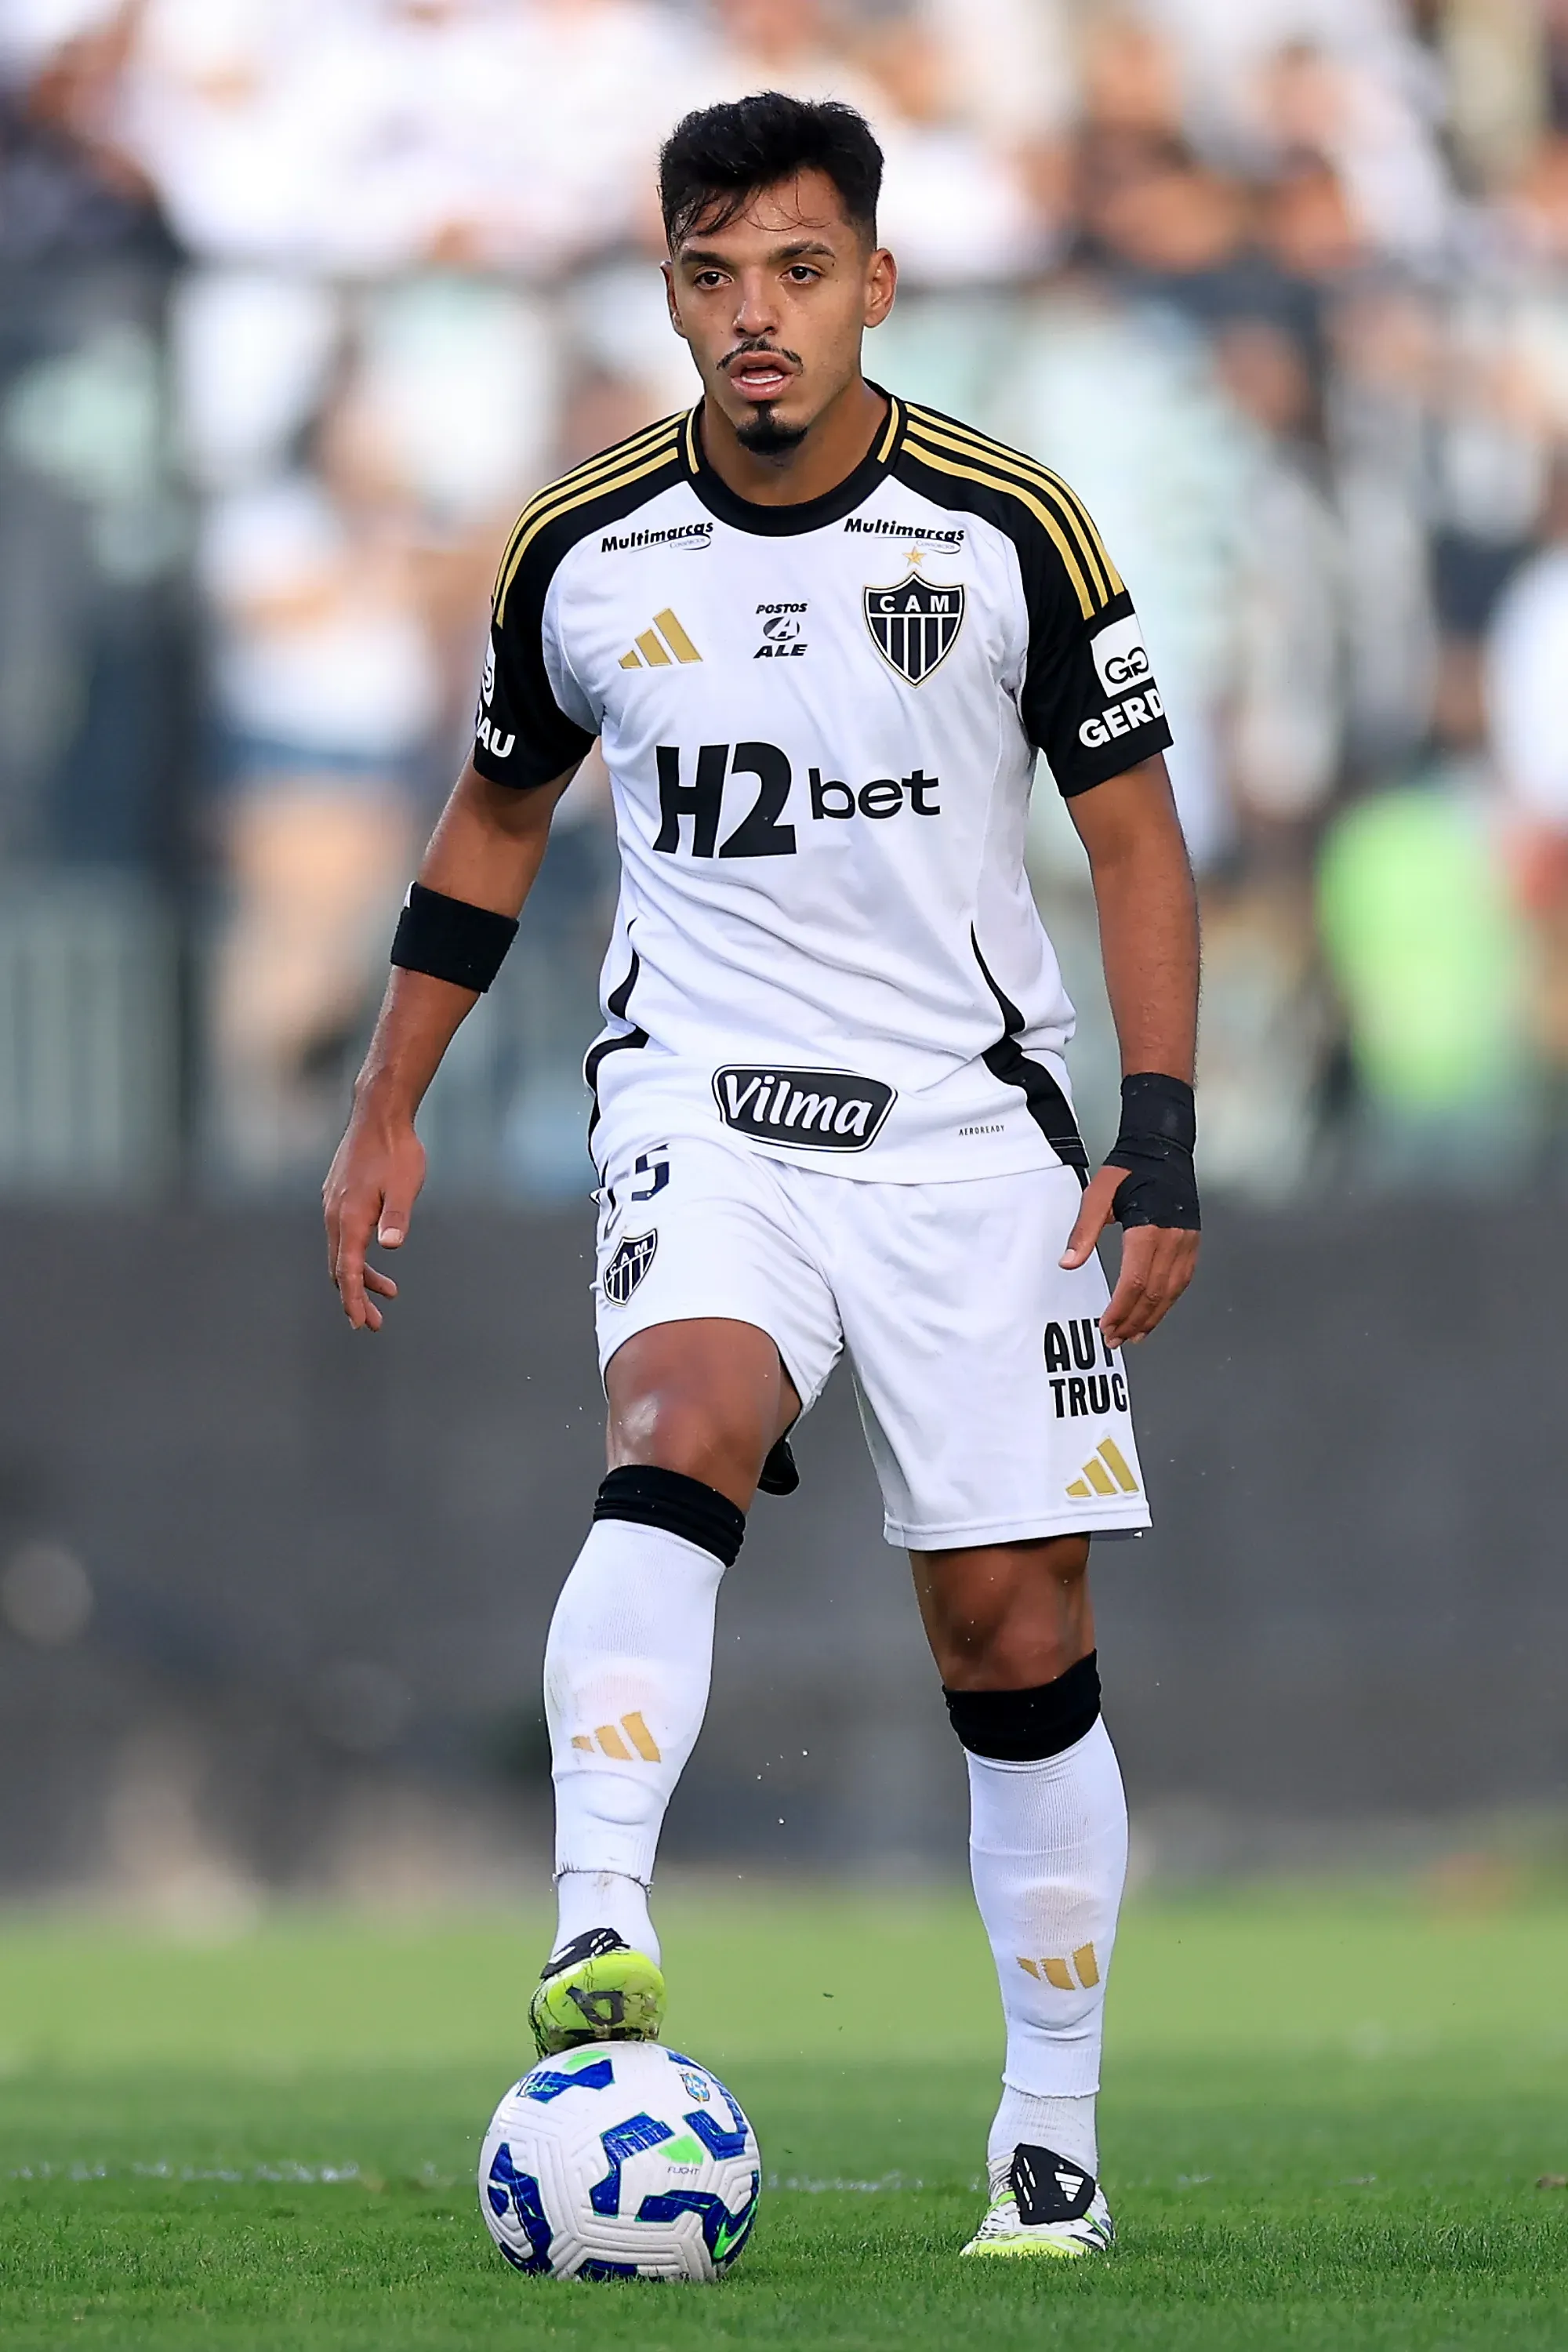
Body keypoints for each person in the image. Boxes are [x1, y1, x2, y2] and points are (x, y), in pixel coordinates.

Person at [323, 92, 1200, 2262]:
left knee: (1012, 1625)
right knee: (680, 1417)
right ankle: (600, 1922)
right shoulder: (584, 548)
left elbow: (1137, 834)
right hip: (701, 1103)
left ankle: (1052, 2141)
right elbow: (497, 821)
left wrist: (1161, 1134)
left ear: (875, 282)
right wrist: (385, 1101)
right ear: (670, 293)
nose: (755, 320)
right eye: (712, 278)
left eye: (798, 273)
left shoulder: (1011, 530)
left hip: (976, 1138)